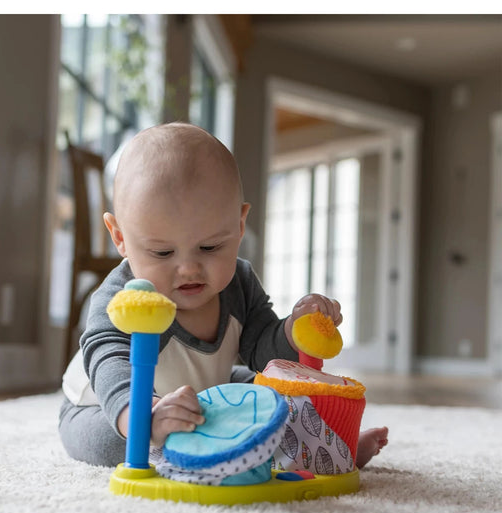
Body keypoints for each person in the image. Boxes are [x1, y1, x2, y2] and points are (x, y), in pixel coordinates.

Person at [60, 123, 388, 468]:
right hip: (106, 406)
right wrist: (144, 415)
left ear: (239, 225)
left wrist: (293, 329)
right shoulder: (123, 296)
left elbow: (261, 350)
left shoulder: (239, 284)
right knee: (113, 445)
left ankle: (333, 449)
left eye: (210, 247)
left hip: (202, 393)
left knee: (272, 394)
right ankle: (169, 441)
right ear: (120, 237)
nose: (188, 268)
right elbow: (108, 360)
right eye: (162, 253)